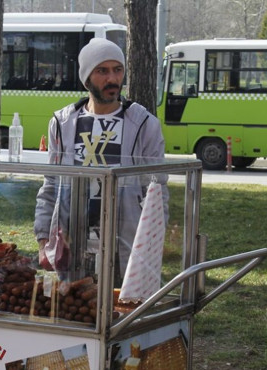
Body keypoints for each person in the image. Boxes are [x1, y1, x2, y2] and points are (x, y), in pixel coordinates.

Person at [33, 37, 167, 281]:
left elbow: (157, 192)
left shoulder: (144, 124)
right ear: (86, 78)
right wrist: (44, 241)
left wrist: (153, 246)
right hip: (73, 251)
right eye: (102, 71)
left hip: (125, 252)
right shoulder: (62, 123)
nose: (112, 79)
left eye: (118, 70)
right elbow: (51, 185)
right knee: (75, 305)